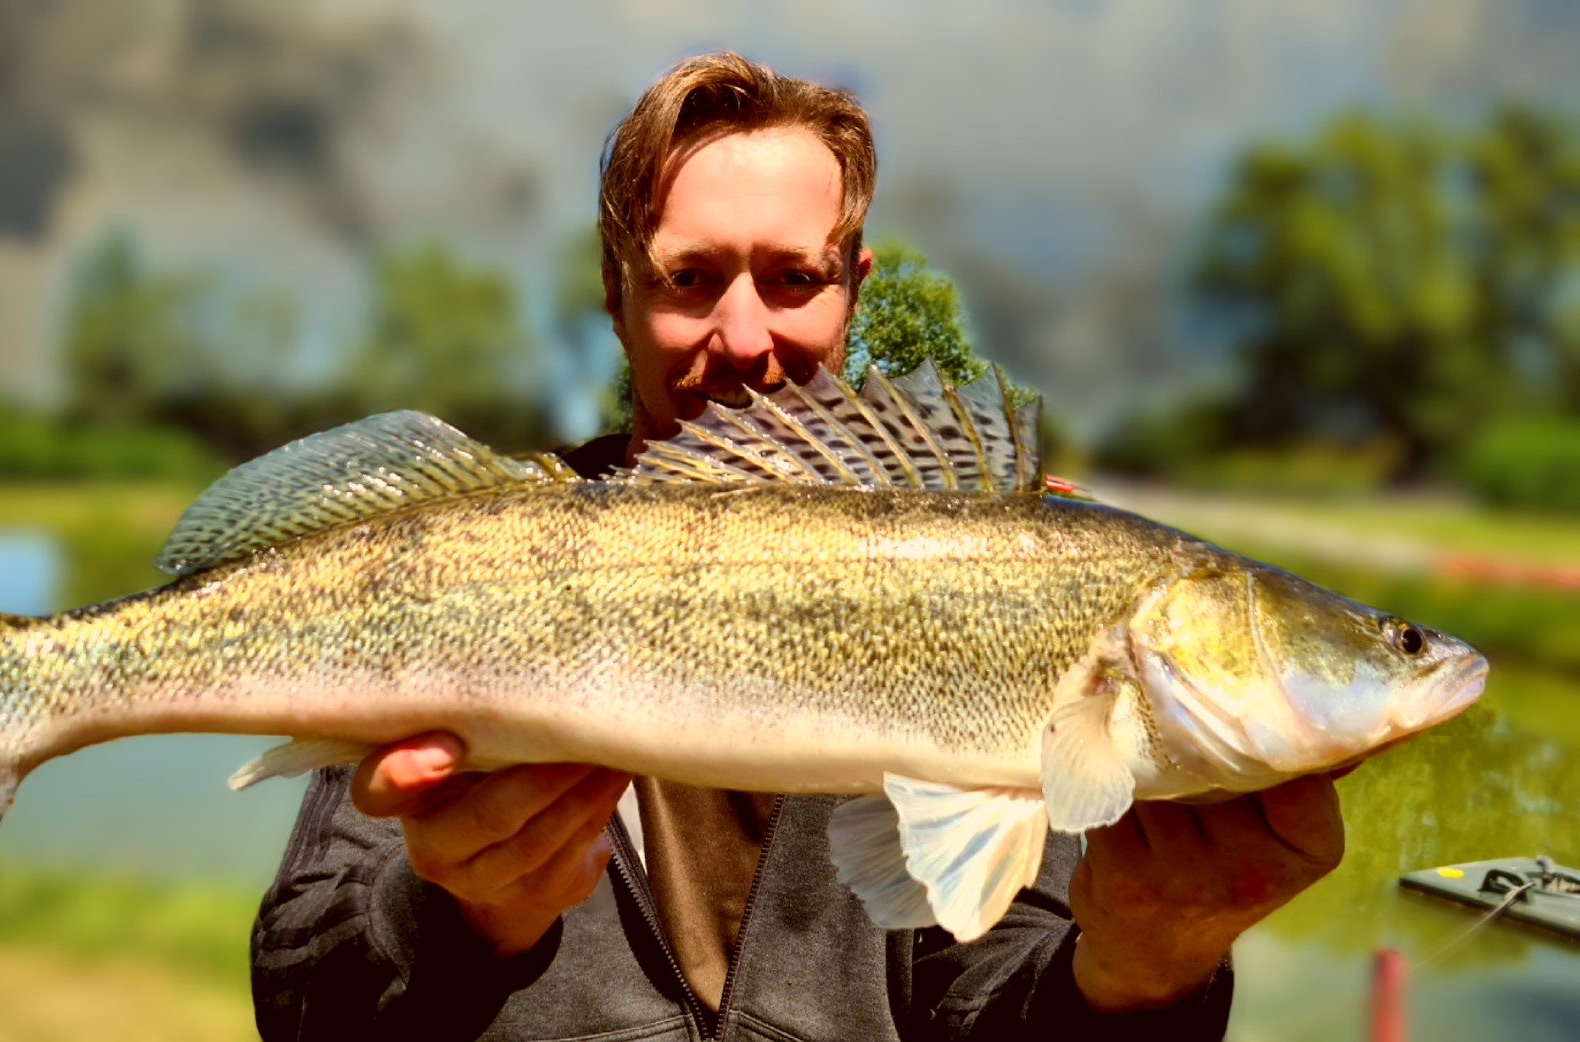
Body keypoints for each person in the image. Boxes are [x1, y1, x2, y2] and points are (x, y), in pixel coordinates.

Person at [249, 51, 1345, 1040]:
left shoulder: (1001, 574)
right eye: (689, 279)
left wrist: (1143, 975)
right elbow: (299, 1001)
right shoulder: (475, 560)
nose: (743, 337)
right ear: (613, 290)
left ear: (853, 290)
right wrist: (447, 915)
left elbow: (996, 999)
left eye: (792, 278)